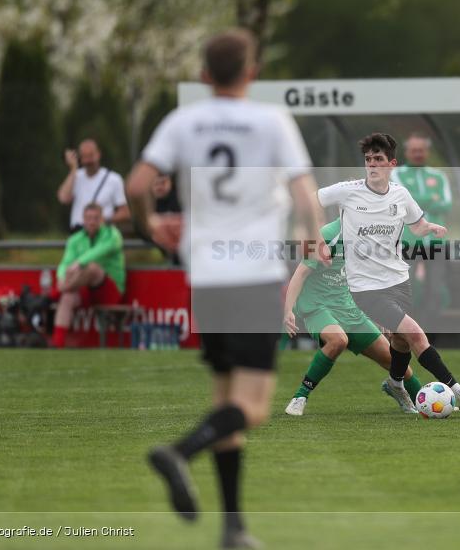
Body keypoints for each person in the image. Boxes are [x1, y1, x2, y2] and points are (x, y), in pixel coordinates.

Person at [126, 28, 326, 548]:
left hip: (207, 278)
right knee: (253, 406)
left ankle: (233, 527)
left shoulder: (183, 120)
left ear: (204, 75)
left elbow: (135, 185)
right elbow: (306, 196)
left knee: (225, 401)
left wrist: (152, 227)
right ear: (252, 73)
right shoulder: (271, 121)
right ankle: (179, 452)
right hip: (255, 273)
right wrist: (309, 239)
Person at [317, 132, 460, 414]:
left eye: (378, 159)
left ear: (391, 164)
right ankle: (457, 389)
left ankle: (395, 384)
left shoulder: (401, 194)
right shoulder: (348, 190)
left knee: (400, 340)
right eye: (368, 160)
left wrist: (430, 228)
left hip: (398, 280)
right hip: (365, 287)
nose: (372, 165)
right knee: (415, 333)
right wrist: (315, 237)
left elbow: (416, 224)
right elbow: (311, 200)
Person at [283, 218, 423, 416]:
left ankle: (423, 400)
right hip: (317, 305)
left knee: (396, 363)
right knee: (338, 340)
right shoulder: (328, 236)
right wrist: (288, 310)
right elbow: (301, 273)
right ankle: (300, 396)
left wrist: (382, 315)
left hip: (349, 308)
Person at [391, 133, 453, 330]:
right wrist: (430, 198)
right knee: (408, 289)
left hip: (435, 243)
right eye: (414, 150)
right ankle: (407, 333)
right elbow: (402, 200)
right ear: (407, 152)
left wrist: (416, 198)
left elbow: (446, 205)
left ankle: (427, 335)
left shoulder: (438, 176)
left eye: (421, 150)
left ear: (427, 152)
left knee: (435, 291)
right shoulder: (397, 174)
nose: (418, 154)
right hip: (408, 241)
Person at [50, 203, 126, 348]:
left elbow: (98, 252)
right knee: (67, 297)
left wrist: (79, 263)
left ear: (101, 219)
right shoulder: (75, 239)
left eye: (95, 218)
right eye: (88, 218)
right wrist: (61, 276)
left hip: (110, 291)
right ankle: (57, 344)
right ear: (83, 219)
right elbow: (65, 263)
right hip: (84, 288)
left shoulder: (112, 235)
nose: (91, 221)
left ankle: (57, 291)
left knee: (92, 268)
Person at [57, 139, 130, 231]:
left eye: (91, 155)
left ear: (98, 154)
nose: (88, 161)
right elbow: (63, 198)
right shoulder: (75, 176)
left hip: (102, 233)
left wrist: (103, 220)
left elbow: (125, 213)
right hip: (79, 233)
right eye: (84, 156)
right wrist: (73, 169)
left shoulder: (114, 179)